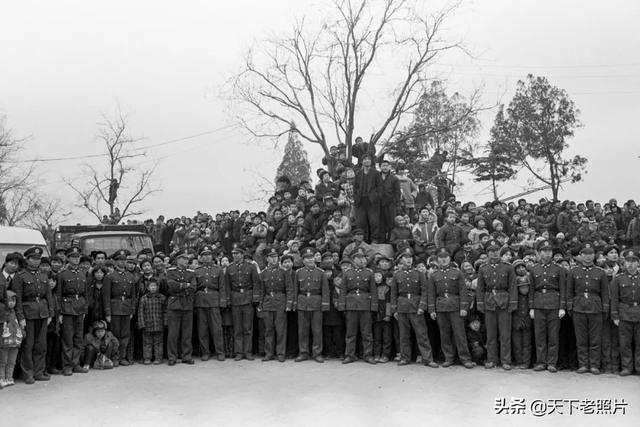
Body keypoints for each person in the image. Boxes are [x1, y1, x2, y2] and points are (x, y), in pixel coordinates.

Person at [427, 248, 475, 369]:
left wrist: (464, 307)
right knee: (445, 334)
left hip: (455, 306)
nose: (443, 260)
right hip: (441, 307)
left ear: (450, 259)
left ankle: (465, 358)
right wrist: (432, 310)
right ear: (437, 260)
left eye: (446, 258)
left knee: (460, 334)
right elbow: (431, 294)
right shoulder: (434, 275)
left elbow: (463, 291)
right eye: (441, 258)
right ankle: (449, 357)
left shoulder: (457, 273)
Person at [390, 251, 439, 367]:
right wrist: (394, 310)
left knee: (422, 334)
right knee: (404, 335)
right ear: (401, 260)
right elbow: (393, 294)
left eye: (410, 257)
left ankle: (427, 358)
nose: (408, 260)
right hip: (402, 307)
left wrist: (422, 306)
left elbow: (424, 291)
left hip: (416, 307)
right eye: (405, 257)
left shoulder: (419, 274)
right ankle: (405, 357)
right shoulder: (397, 275)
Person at [13, 246, 54, 384]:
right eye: (33, 259)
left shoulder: (43, 275)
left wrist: (50, 313)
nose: (36, 261)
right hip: (28, 313)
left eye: (38, 259)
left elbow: (48, 295)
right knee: (28, 346)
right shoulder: (20, 276)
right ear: (27, 259)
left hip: (42, 313)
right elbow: (17, 298)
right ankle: (28, 373)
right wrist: (21, 318)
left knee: (41, 345)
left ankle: (39, 371)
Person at [566, 243, 609, 374]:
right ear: (580, 256)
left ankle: (594, 365)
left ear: (594, 256)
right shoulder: (573, 271)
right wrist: (570, 307)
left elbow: (605, 293)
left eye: (590, 254)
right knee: (581, 338)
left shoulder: (600, 272)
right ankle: (583, 364)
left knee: (595, 339)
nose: (588, 257)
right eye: (585, 254)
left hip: (595, 308)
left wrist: (605, 309)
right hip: (578, 307)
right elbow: (569, 292)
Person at [476, 240, 517, 370]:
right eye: (491, 251)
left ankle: (506, 360)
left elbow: (512, 287)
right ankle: (492, 359)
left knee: (505, 335)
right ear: (487, 253)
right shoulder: (483, 268)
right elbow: (480, 288)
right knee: (491, 335)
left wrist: (512, 303)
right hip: (489, 303)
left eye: (496, 251)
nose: (494, 253)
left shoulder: (508, 267)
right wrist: (480, 303)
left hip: (504, 302)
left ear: (500, 252)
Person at [528, 240, 566, 373]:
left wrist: (562, 307)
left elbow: (562, 289)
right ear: (539, 253)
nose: (547, 253)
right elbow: (531, 290)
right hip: (538, 305)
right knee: (539, 335)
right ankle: (540, 362)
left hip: (554, 304)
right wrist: (531, 307)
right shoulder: (533, 269)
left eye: (549, 251)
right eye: (544, 251)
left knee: (553, 336)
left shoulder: (559, 269)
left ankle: (551, 363)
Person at [56, 246, 91, 376]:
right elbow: (59, 295)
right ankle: (67, 365)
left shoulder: (83, 273)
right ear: (68, 259)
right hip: (67, 308)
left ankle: (76, 363)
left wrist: (85, 309)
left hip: (80, 308)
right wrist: (59, 312)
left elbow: (86, 293)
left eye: (77, 257)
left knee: (78, 338)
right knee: (67, 339)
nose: (76, 260)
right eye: (73, 257)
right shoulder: (62, 274)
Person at [338, 252, 377, 364]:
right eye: (358, 258)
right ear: (353, 260)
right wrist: (342, 306)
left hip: (365, 305)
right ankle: (350, 355)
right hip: (351, 304)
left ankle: (368, 355)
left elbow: (373, 291)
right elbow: (343, 290)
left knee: (367, 333)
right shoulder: (347, 273)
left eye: (362, 258)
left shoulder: (369, 273)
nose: (361, 260)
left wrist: (373, 306)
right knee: (350, 332)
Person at [293, 248, 330, 363]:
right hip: (303, 302)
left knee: (317, 330)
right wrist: (295, 303)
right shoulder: (298, 272)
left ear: (315, 259)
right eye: (306, 258)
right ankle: (303, 352)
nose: (309, 260)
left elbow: (325, 290)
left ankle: (317, 353)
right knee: (303, 330)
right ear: (303, 260)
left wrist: (325, 305)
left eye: (311, 257)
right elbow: (295, 289)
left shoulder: (321, 272)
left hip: (316, 302)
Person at [103, 249, 138, 366]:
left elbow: (133, 295)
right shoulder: (110, 277)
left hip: (126, 308)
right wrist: (108, 312)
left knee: (125, 334)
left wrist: (132, 309)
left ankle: (122, 356)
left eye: (124, 260)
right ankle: (115, 357)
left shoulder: (130, 276)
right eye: (119, 260)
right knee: (115, 334)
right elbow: (106, 296)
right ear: (115, 262)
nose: (122, 263)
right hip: (115, 308)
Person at [257, 248, 292, 362]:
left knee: (280, 329)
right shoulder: (263, 273)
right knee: (268, 330)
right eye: (271, 257)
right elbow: (262, 290)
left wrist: (289, 304)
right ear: (267, 258)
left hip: (280, 302)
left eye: (275, 257)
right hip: (267, 303)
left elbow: (289, 289)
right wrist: (261, 305)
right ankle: (269, 353)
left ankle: (281, 353)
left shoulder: (284, 271)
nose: (273, 259)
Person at [226, 247, 260, 361]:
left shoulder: (251, 266)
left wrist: (255, 298)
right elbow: (227, 285)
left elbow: (255, 283)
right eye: (233, 253)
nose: (235, 255)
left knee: (248, 328)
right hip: (235, 299)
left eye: (237, 253)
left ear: (242, 254)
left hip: (247, 298)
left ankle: (248, 351)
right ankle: (239, 352)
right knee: (237, 328)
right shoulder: (230, 268)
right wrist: (228, 299)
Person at [194, 246, 227, 362]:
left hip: (214, 300)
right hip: (201, 301)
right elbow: (195, 288)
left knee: (216, 329)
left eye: (208, 254)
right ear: (201, 257)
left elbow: (222, 287)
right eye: (204, 255)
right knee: (203, 329)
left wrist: (222, 302)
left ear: (212, 256)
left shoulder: (218, 270)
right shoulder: (197, 270)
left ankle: (220, 352)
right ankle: (205, 352)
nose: (206, 257)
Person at [609, 249, 640, 376]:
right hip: (624, 314)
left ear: (638, 263)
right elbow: (615, 298)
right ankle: (627, 367)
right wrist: (615, 315)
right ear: (624, 263)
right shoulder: (618, 279)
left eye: (634, 261)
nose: (631, 264)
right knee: (625, 343)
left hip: (639, 313)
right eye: (628, 261)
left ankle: (638, 367)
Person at [166, 249, 196, 365]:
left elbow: (193, 287)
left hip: (187, 303)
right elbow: (171, 285)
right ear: (177, 259)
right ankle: (172, 357)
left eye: (187, 259)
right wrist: (185, 284)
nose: (186, 261)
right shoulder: (170, 271)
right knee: (173, 333)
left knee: (187, 333)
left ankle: (186, 356)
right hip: (175, 304)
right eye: (183, 258)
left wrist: (181, 285)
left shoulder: (191, 272)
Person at [353, 154, 382, 243]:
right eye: (365, 159)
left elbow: (380, 187)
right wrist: (356, 197)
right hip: (361, 201)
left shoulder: (376, 173)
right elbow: (355, 187)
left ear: (371, 161)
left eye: (368, 159)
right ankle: (363, 239)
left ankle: (375, 239)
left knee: (374, 222)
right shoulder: (358, 173)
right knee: (361, 222)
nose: (367, 161)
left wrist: (377, 196)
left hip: (372, 201)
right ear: (362, 162)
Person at [138, 278, 166, 364]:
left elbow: (165, 311)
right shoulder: (144, 298)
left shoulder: (162, 297)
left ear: (157, 287)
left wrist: (165, 322)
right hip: (147, 324)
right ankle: (147, 358)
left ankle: (158, 358)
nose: (153, 288)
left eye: (155, 286)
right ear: (148, 287)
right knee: (147, 342)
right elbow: (140, 312)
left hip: (159, 323)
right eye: (151, 286)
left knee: (159, 342)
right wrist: (141, 324)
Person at [511, 260, 532, 369]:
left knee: (527, 343)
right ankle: (519, 361)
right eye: (522, 287)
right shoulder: (514, 296)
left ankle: (526, 362)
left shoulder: (530, 297)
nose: (525, 289)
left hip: (527, 320)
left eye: (526, 287)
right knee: (517, 342)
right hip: (516, 320)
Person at [0, 290, 23, 388]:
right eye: (9, 300)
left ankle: (9, 377)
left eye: (14, 300)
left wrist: (22, 333)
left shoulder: (16, 312)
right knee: (3, 361)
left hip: (15, 341)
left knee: (12, 361)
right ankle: (2, 378)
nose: (11, 303)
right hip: (4, 342)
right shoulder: (2, 312)